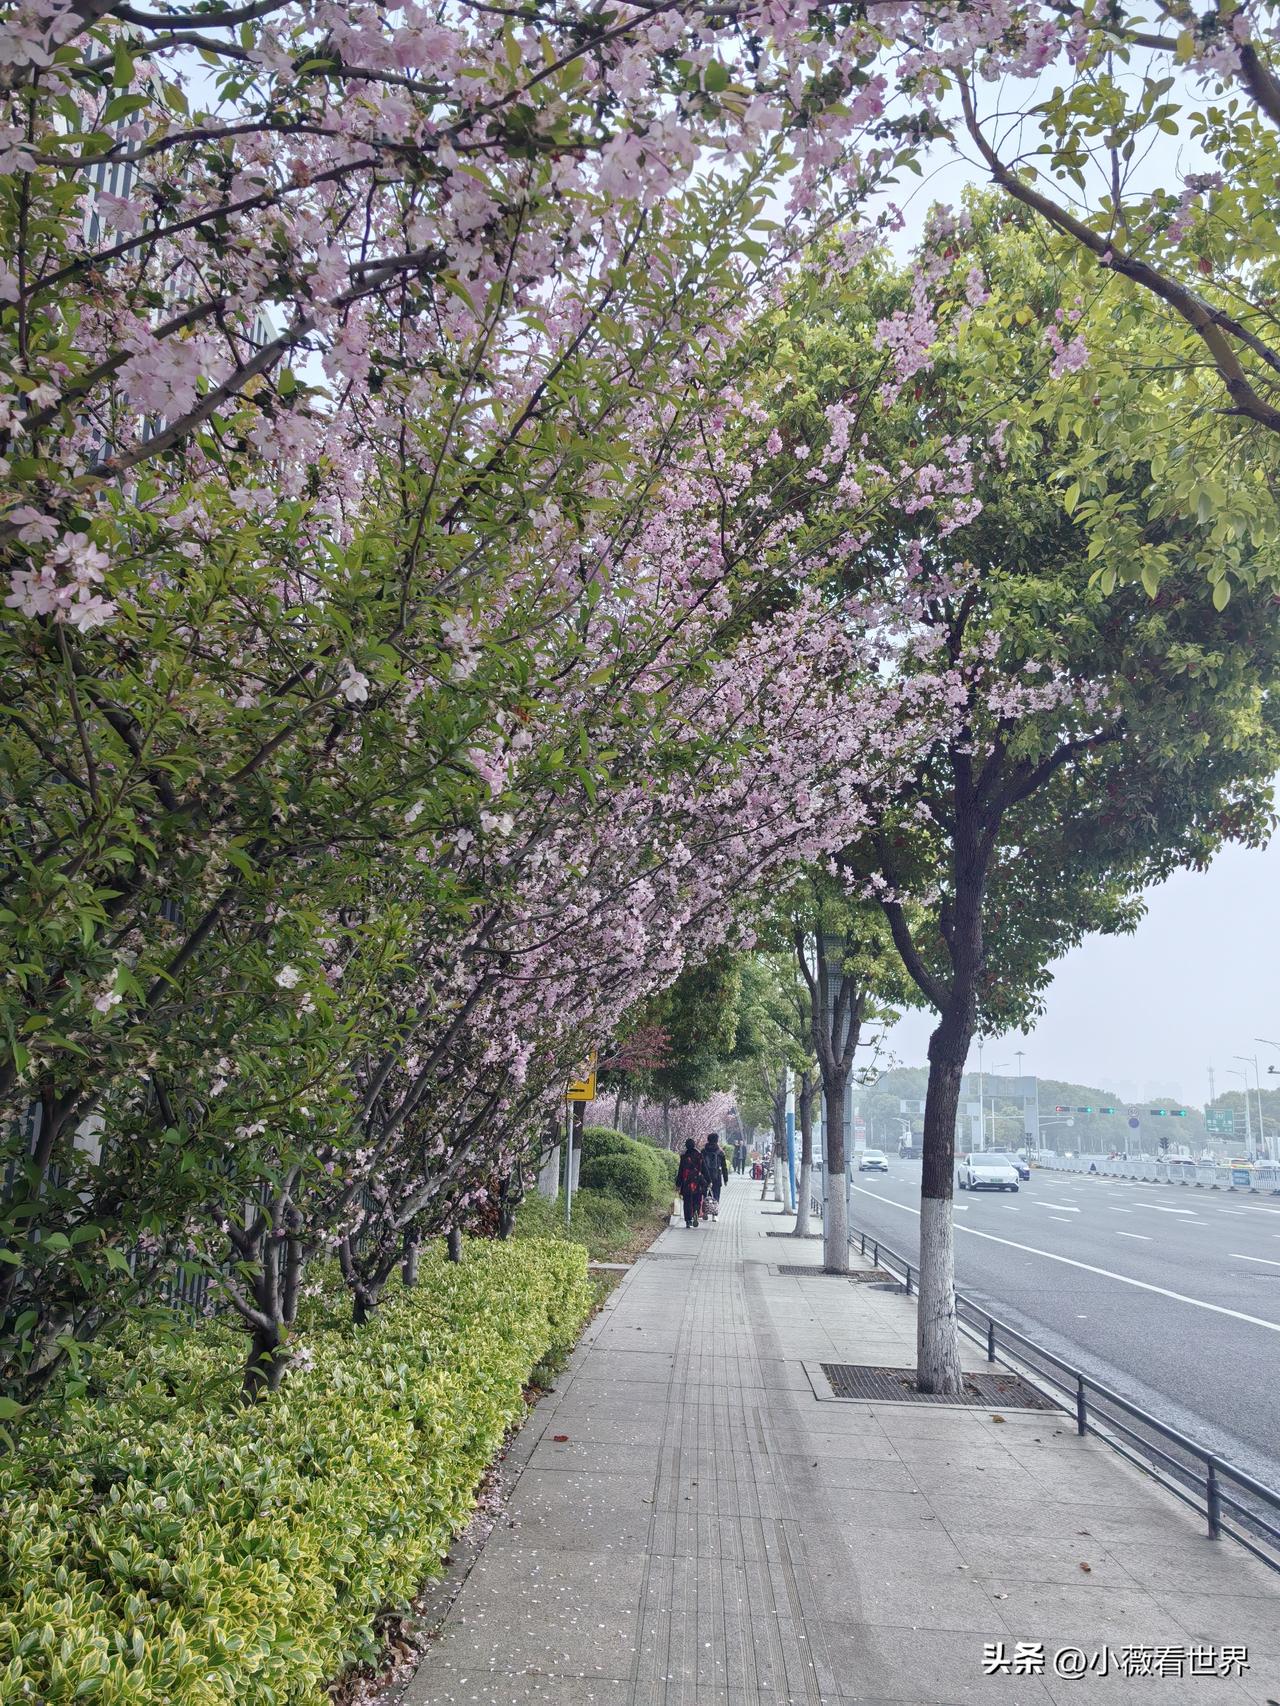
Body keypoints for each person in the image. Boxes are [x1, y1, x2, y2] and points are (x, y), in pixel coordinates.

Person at [676, 1138, 704, 1229]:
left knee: (687, 1202)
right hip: (697, 1182)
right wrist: (709, 1180)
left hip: (686, 1182)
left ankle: (688, 1220)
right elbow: (704, 1169)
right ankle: (695, 1211)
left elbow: (681, 1171)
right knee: (697, 1199)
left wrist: (678, 1184)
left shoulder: (684, 1156)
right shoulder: (699, 1155)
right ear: (694, 1145)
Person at [701, 1131, 729, 1221]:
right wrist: (725, 1179)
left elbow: (699, 1164)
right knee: (716, 1195)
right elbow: (724, 1166)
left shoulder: (703, 1151)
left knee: (705, 1194)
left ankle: (705, 1212)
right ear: (717, 1140)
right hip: (716, 1177)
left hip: (705, 1177)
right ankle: (715, 1215)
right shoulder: (720, 1152)